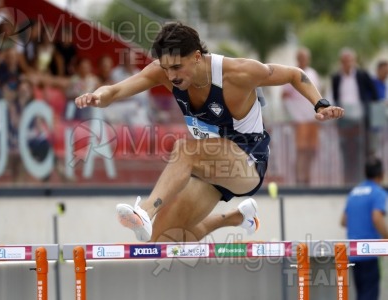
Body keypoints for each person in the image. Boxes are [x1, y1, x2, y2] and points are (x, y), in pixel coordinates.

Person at [75, 22, 344, 242]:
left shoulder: (238, 73)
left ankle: (144, 211)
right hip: (210, 168)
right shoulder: (164, 71)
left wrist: (320, 104)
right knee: (165, 239)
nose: (171, 76)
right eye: (166, 68)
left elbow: (295, 74)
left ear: (196, 57)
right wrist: (98, 96)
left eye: (177, 67)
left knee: (185, 149)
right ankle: (238, 217)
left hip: (246, 163)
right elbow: (118, 90)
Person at [341, 157, 388, 300]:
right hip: (369, 252)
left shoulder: (354, 192)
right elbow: (377, 217)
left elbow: (343, 221)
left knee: (361, 293)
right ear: (381, 174)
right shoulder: (378, 192)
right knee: (369, 295)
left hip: (353, 252)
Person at [331, 48, 378, 184]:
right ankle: (347, 180)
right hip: (344, 120)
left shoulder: (362, 75)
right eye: (344, 61)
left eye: (349, 61)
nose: (347, 64)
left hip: (360, 119)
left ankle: (362, 179)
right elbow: (335, 96)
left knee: (362, 150)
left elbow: (373, 93)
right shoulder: (336, 77)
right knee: (346, 151)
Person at [282, 47, 320, 186]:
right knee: (301, 150)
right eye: (301, 58)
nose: (303, 60)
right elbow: (285, 97)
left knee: (311, 150)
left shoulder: (313, 74)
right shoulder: (293, 73)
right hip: (300, 119)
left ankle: (308, 178)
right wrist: (292, 115)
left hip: (312, 118)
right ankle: (300, 179)